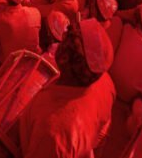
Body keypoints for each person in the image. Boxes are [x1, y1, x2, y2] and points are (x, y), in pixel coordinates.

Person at [19, 19, 115, 158]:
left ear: (64, 58)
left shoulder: (52, 132)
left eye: (65, 37)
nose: (62, 38)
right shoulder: (106, 82)